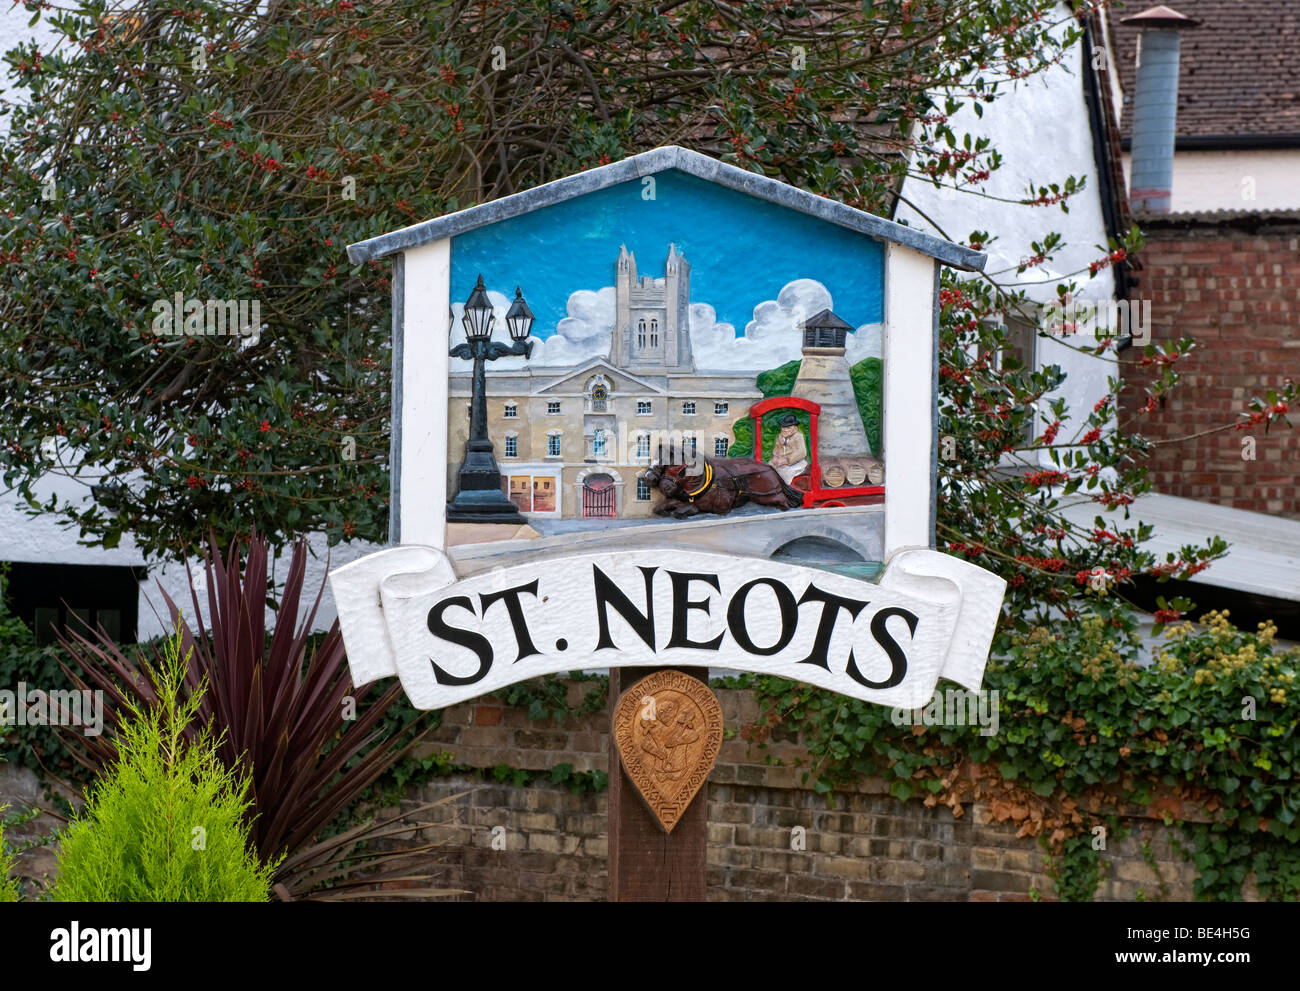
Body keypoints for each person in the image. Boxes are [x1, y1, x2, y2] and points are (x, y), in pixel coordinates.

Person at [769, 414, 808, 485]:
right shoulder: (780, 437)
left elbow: (801, 452)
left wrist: (787, 460)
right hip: (781, 462)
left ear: (795, 428)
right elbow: (776, 450)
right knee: (770, 469)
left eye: (788, 428)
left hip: (795, 463)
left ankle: (786, 490)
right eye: (783, 427)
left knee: (786, 474)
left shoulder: (798, 437)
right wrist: (775, 457)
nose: (785, 430)